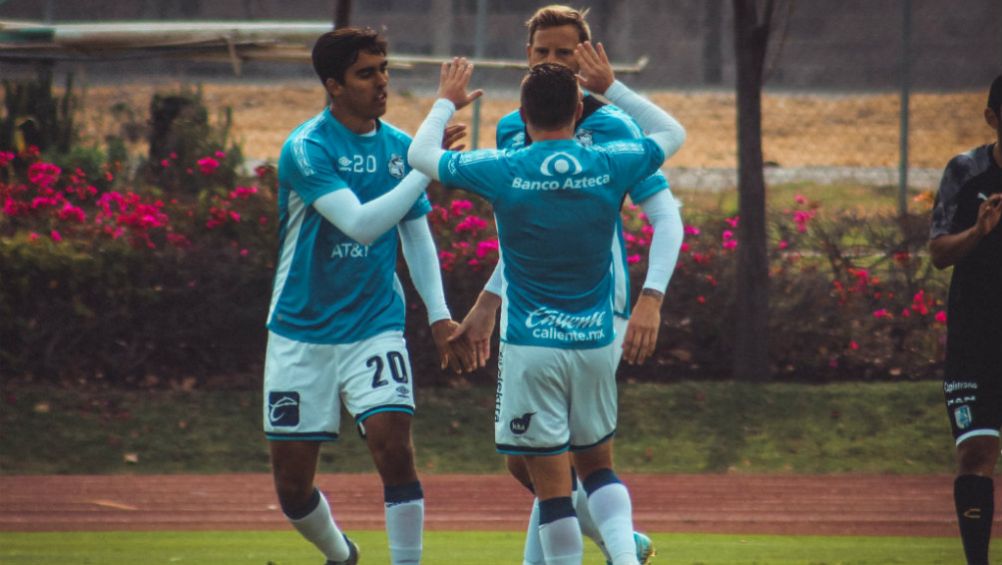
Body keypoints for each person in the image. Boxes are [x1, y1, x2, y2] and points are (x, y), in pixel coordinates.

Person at [408, 41, 684, 565]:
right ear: (579, 111)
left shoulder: (503, 167)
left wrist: (446, 100)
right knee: (599, 468)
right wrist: (612, 87)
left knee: (553, 490)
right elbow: (673, 133)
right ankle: (625, 559)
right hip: (597, 340)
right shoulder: (610, 161)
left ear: (523, 115)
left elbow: (420, 156)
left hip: (533, 347)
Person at [263, 27, 473, 565]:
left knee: (394, 448)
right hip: (299, 332)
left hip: (375, 326)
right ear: (333, 85)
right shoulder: (307, 148)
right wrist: (425, 169)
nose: (381, 81)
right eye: (366, 72)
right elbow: (361, 224)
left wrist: (440, 316)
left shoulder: (402, 147)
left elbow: (414, 234)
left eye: (384, 69)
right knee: (291, 489)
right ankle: (341, 555)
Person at [929, 73, 1002, 565]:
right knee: (975, 455)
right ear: (993, 119)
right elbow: (938, 252)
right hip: (976, 336)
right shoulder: (965, 171)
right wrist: (978, 231)